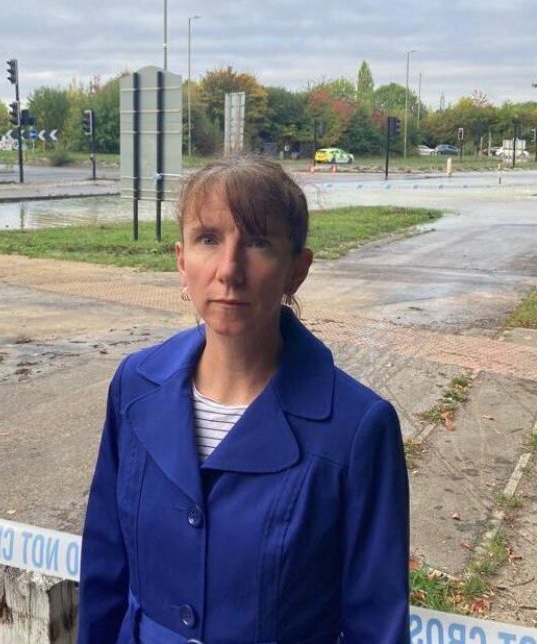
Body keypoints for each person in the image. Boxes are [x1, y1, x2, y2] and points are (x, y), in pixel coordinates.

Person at [78, 155, 410, 643]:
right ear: (181, 260)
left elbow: (375, 623)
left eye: (257, 242)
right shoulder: (135, 386)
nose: (228, 270)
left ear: (297, 270)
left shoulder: (358, 429)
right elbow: (106, 564)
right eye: (208, 239)